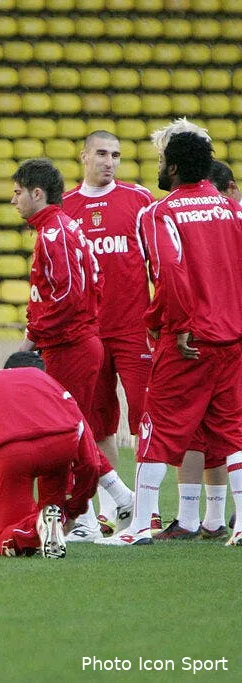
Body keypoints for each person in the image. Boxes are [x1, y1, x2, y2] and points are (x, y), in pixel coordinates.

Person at [100, 131, 242, 547]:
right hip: (232, 339)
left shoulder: (160, 212)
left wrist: (174, 325)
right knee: (233, 431)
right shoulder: (233, 210)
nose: (158, 167)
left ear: (173, 166)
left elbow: (169, 273)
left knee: (156, 427)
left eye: (161, 161)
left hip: (189, 339)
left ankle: (139, 526)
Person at [13, 159, 135, 537]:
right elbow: (88, 286)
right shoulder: (64, 228)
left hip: (71, 345)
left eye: (18, 192)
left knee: (66, 433)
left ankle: (86, 517)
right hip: (74, 341)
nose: (13, 200)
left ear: (37, 193)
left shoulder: (54, 234)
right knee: (73, 430)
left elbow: (65, 294)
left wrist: (33, 336)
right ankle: (111, 501)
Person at [61, 131, 155, 540]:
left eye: (115, 155)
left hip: (134, 329)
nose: (109, 161)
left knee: (145, 420)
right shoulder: (65, 207)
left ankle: (148, 511)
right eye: (101, 153)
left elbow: (158, 264)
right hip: (88, 333)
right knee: (96, 424)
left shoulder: (139, 200)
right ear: (84, 156)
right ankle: (110, 509)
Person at [154, 159, 238, 541]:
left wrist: (166, 322)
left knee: (220, 429)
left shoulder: (186, 216)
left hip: (205, 333)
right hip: (226, 335)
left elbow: (171, 275)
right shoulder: (222, 218)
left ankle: (214, 517)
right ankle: (206, 519)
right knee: (208, 430)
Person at [0, 352, 104, 558]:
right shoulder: (53, 385)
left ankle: (36, 527)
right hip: (59, 445)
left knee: (5, 536)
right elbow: (91, 462)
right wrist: (73, 510)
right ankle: (51, 521)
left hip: (11, 451)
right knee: (52, 508)